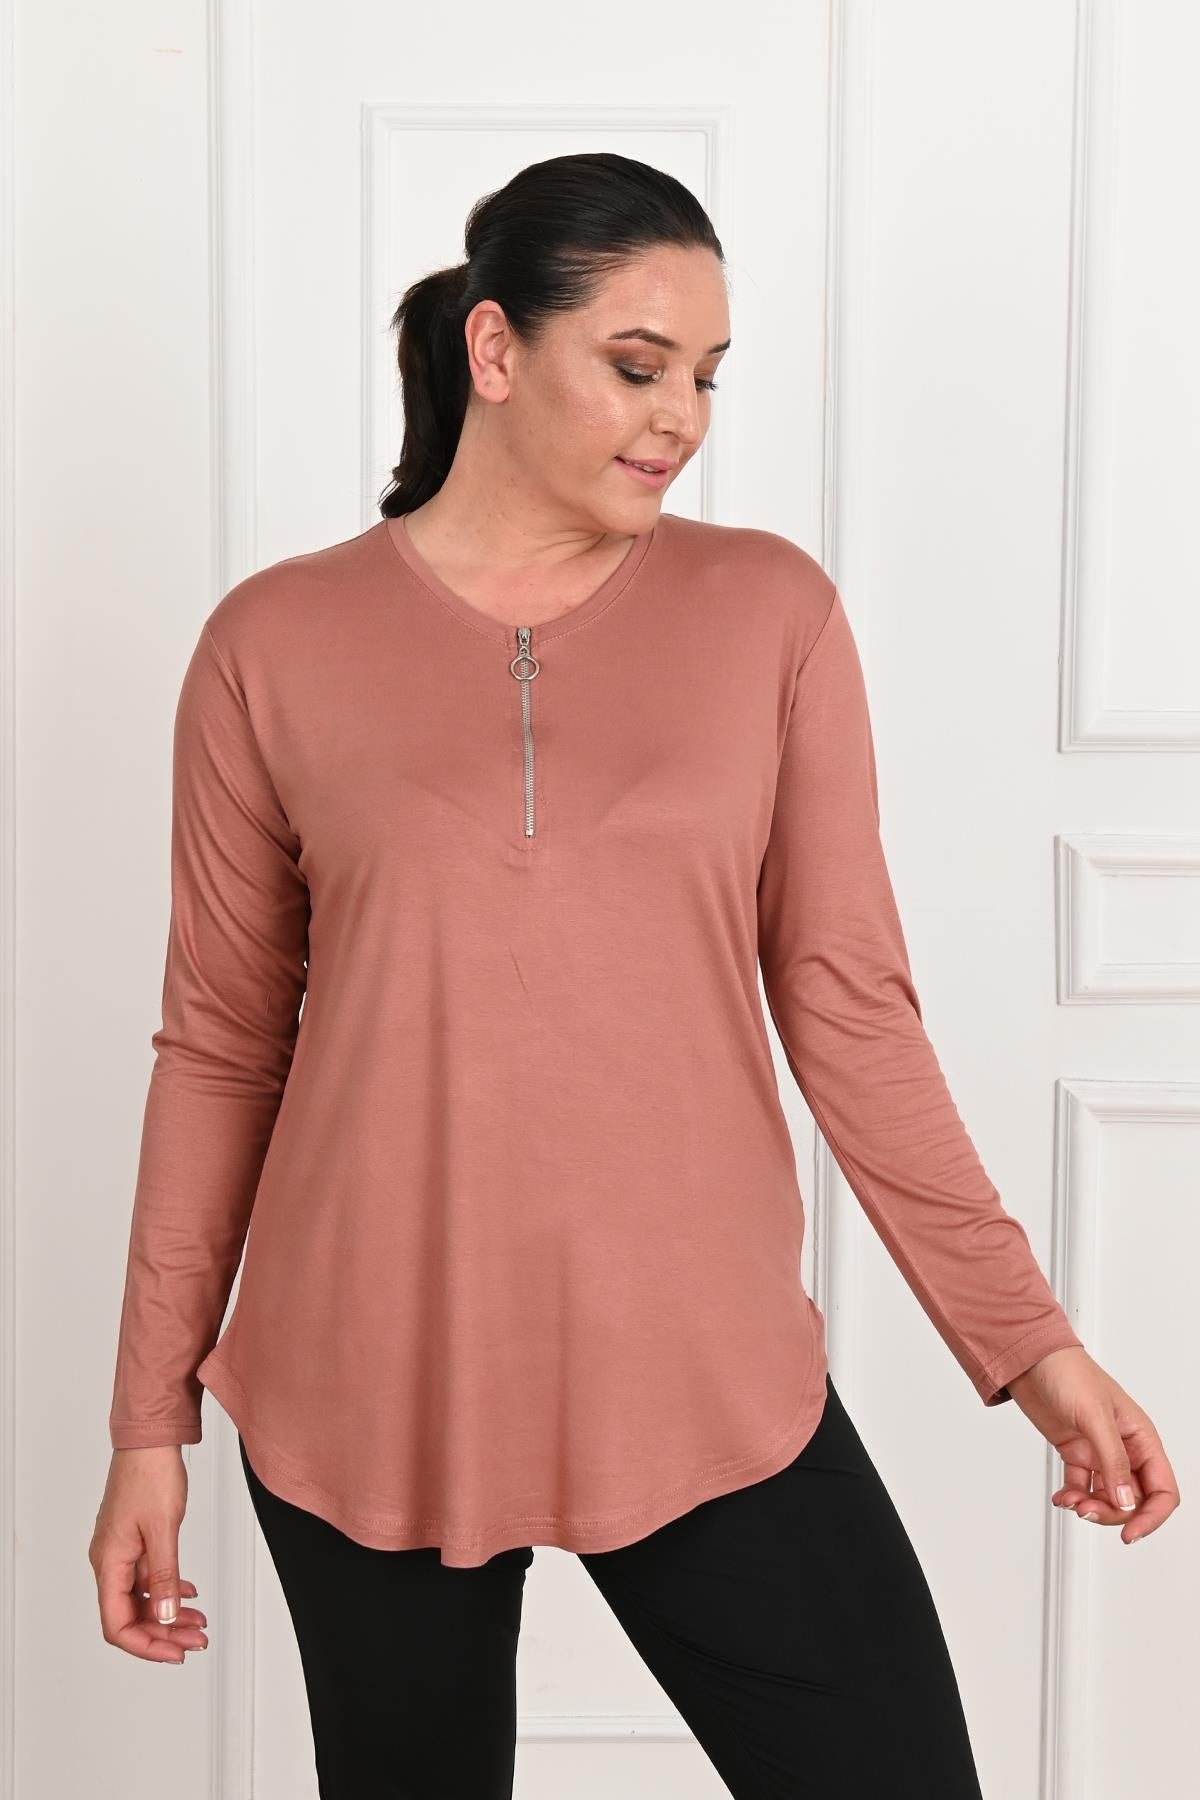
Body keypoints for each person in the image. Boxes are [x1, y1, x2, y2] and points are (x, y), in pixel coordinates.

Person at [89, 151, 1178, 1797]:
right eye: (639, 365)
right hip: (368, 1374)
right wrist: (147, 1424)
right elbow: (223, 1047)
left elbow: (851, 1007)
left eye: (708, 378)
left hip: (701, 1366)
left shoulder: (770, 615)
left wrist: (1034, 1347)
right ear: (495, 348)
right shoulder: (272, 643)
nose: (682, 419)